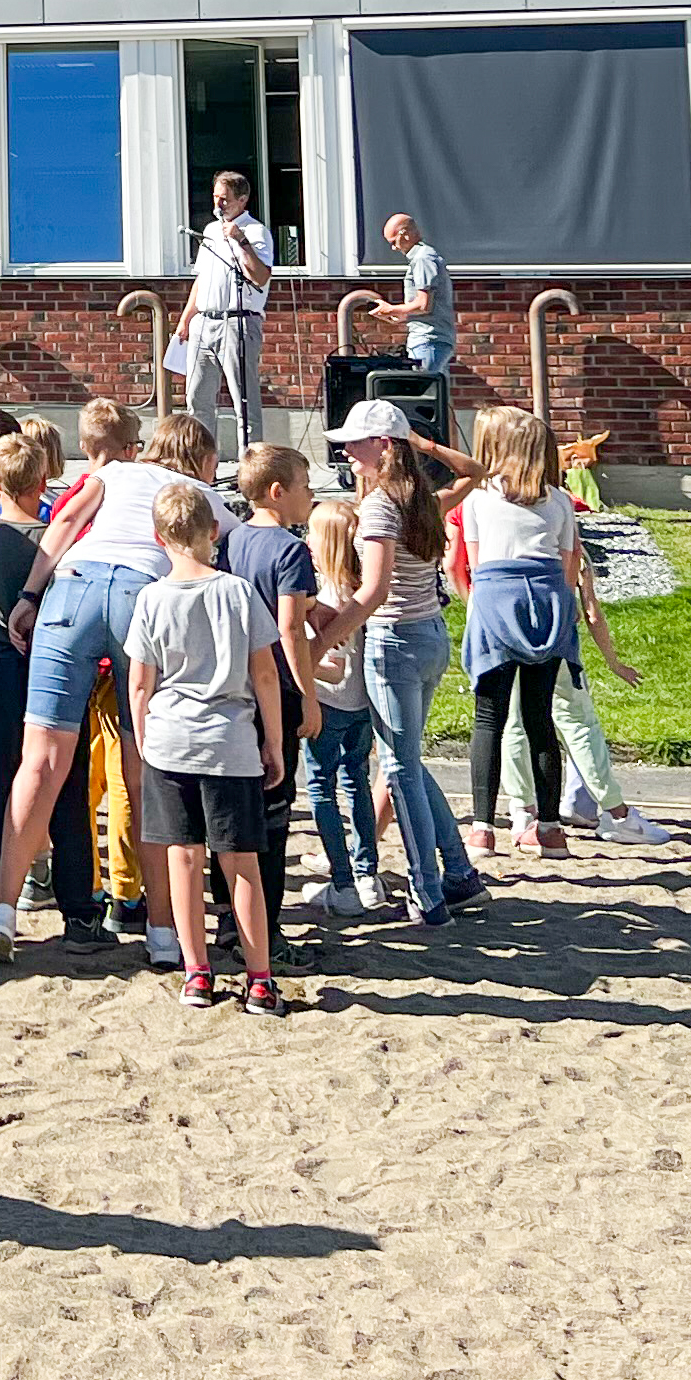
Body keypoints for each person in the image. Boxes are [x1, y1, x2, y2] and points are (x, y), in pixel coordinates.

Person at [0, 401, 179, 964]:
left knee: (40, 760)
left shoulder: (102, 477)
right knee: (143, 771)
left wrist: (29, 596)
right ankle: (162, 929)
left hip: (75, 585)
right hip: (142, 592)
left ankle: (2, 911)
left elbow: (63, 523)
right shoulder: (180, 485)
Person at [121, 480, 286, 1013]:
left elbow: (141, 682)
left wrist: (144, 736)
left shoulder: (151, 597)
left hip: (170, 738)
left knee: (183, 859)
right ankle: (259, 977)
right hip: (230, 738)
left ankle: (197, 972)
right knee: (242, 863)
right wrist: (275, 741)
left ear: (158, 537)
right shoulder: (237, 592)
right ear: (213, 531)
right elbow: (264, 674)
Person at [328, 406, 487, 929]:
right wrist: (427, 446)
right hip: (430, 636)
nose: (349, 453)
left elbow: (371, 593)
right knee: (410, 763)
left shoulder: (380, 508)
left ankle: (429, 891)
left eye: (358, 444)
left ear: (384, 446)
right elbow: (475, 472)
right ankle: (459, 873)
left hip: (395, 641)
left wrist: (319, 644)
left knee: (398, 768)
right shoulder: (420, 501)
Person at [0, 429, 100, 947]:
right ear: (44, 479)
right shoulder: (61, 543)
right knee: (66, 790)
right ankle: (80, 910)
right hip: (56, 672)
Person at [451, 408, 588, 862]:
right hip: (547, 602)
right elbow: (568, 566)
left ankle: (482, 829)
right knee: (539, 718)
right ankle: (549, 830)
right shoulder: (561, 501)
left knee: (489, 717)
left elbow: (470, 561)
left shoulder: (477, 499)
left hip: (494, 598)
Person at [221, 440, 329, 973]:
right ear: (279, 492)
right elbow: (291, 624)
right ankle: (267, 931)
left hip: (234, 684)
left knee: (236, 812)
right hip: (277, 689)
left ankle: (228, 920)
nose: (312, 497)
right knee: (274, 811)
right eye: (306, 487)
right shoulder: (289, 549)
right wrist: (308, 695)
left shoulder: (232, 541)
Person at [294, 496, 382, 920]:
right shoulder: (363, 591)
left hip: (329, 705)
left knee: (320, 789)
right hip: (362, 705)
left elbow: (332, 668)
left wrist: (303, 670)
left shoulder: (322, 598)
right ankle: (368, 873)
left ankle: (343, 882)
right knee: (357, 783)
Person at [179, 171, 275, 457]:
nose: (219, 204)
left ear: (242, 199)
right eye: (215, 198)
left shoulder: (256, 231)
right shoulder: (209, 231)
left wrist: (241, 242)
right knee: (197, 398)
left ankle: (251, 468)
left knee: (243, 401)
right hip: (204, 321)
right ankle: (203, 466)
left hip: (238, 321)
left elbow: (260, 276)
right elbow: (202, 279)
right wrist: (186, 320)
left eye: (225, 199)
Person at [379, 211, 453, 397]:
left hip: (428, 339)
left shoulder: (422, 258)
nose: (394, 248)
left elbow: (423, 305)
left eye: (393, 242)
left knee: (420, 401)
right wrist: (399, 316)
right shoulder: (423, 256)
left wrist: (391, 308)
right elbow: (423, 308)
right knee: (441, 403)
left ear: (404, 233)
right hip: (431, 338)